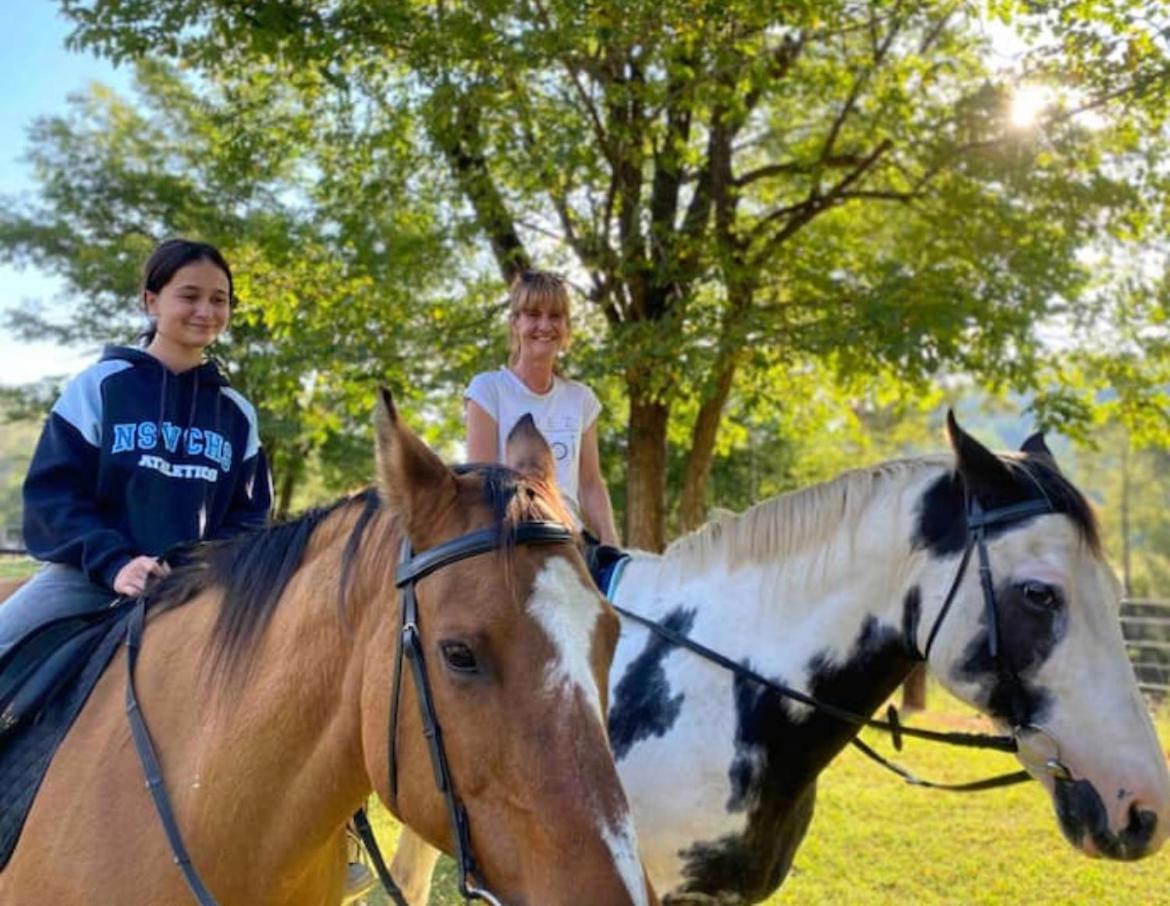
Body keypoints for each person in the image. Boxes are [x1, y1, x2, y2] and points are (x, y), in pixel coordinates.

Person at [0, 238, 272, 654]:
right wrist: (116, 564)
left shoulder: (237, 413)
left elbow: (249, 517)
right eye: (190, 296)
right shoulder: (100, 386)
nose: (206, 310)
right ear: (152, 301)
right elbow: (55, 496)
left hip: (197, 590)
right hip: (90, 579)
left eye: (219, 300)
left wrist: (199, 567)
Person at [465, 269, 621, 546]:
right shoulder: (488, 390)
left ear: (566, 327)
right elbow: (482, 484)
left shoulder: (581, 399)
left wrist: (610, 539)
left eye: (555, 316)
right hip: (513, 540)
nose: (545, 325)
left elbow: (590, 483)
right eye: (533, 314)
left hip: (570, 541)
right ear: (515, 322)